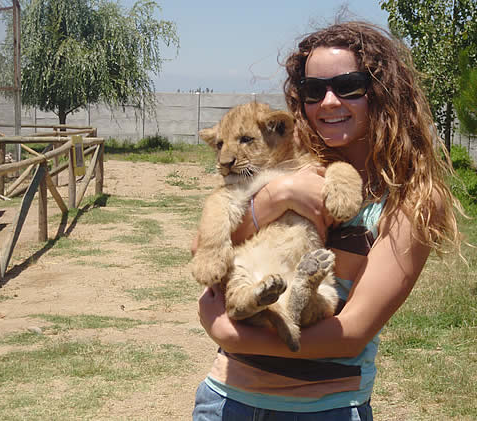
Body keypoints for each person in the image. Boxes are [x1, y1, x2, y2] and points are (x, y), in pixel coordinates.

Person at [192, 20, 462, 420]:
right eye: (313, 91)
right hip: (228, 399)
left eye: (348, 85)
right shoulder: (290, 169)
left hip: (322, 409)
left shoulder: (411, 199)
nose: (329, 102)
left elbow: (351, 334)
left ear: (382, 91)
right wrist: (276, 197)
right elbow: (204, 252)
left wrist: (228, 332)